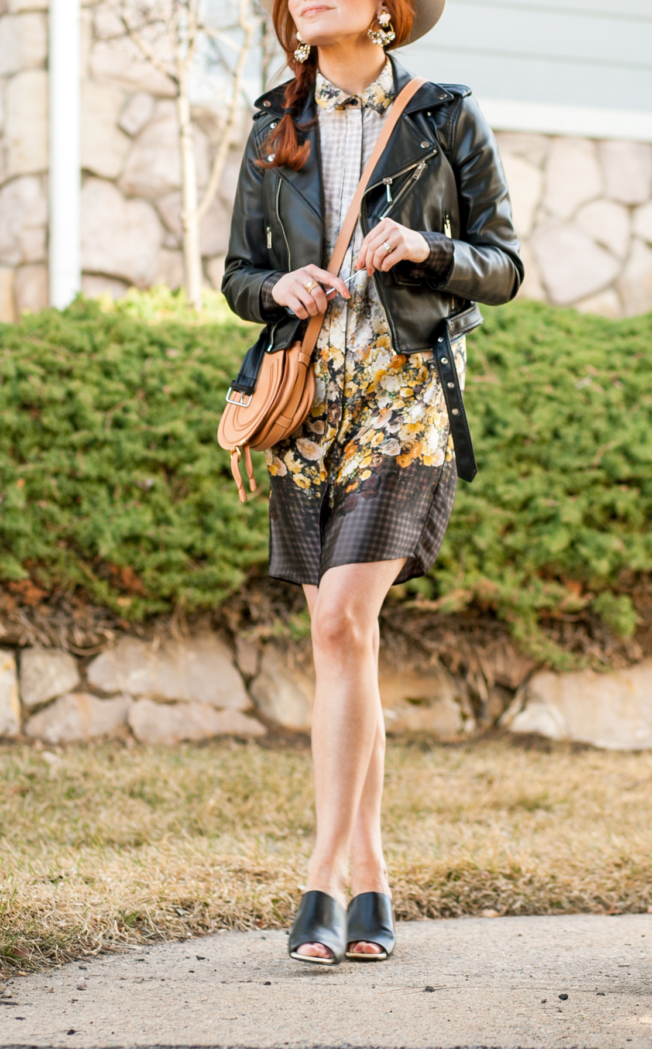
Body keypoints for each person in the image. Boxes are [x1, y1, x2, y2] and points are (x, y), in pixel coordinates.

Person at [222, 0, 523, 965]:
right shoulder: (278, 122)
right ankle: (373, 873)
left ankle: (320, 874)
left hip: (404, 397)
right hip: (308, 404)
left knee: (347, 616)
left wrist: (429, 252)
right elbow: (234, 274)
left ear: (388, 10)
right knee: (341, 640)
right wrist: (279, 288)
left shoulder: (444, 116)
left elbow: (505, 263)